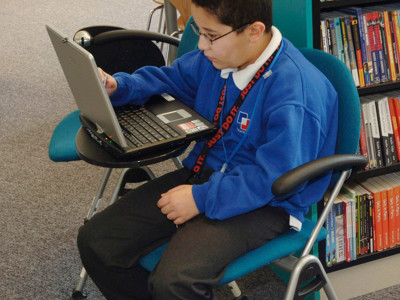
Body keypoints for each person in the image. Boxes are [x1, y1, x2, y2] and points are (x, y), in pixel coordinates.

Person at [77, 0, 339, 299]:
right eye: (198, 32)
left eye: (211, 35)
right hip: (206, 174)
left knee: (175, 281)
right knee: (97, 242)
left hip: (268, 201)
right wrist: (120, 86)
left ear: (254, 31)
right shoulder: (220, 57)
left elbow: (276, 178)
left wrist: (202, 199)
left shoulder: (296, 93)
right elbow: (171, 79)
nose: (201, 45)